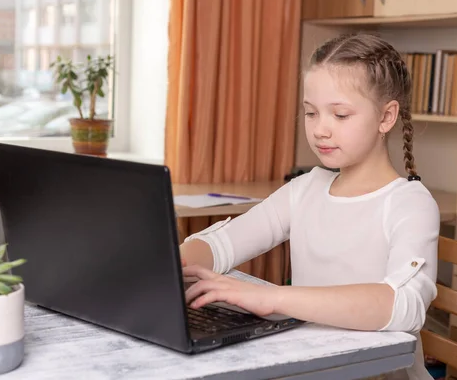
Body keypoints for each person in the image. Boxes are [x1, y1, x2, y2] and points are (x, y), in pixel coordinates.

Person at [179, 32, 440, 380]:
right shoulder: (304, 189)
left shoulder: (410, 204)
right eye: (311, 113)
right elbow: (224, 243)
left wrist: (274, 298)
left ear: (386, 117)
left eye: (340, 115)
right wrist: (169, 264)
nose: (320, 130)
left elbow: (404, 305)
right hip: (311, 366)